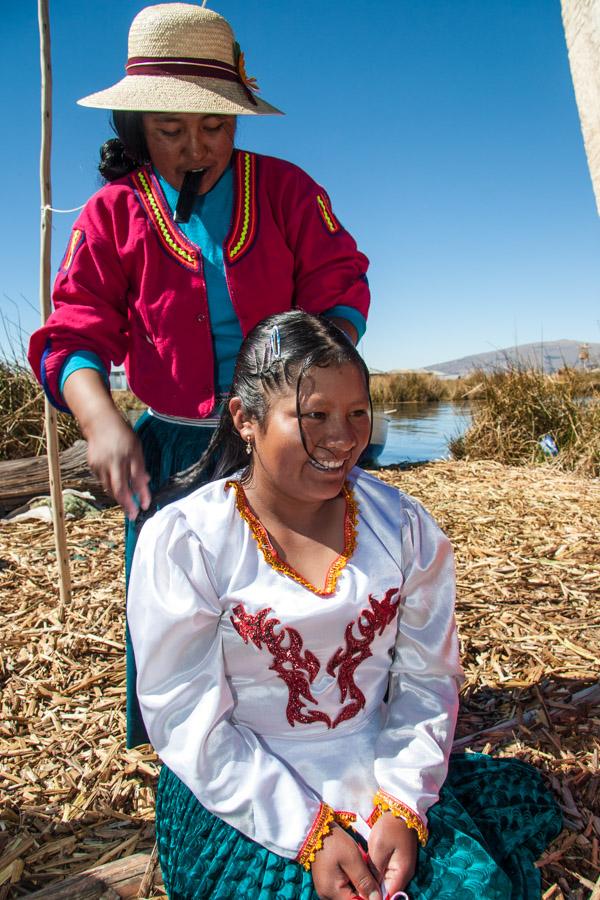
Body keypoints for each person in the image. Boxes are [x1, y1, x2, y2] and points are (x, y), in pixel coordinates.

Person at [128, 311, 561, 900]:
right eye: (314, 416)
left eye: (358, 412)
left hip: (382, 764)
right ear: (245, 419)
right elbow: (184, 715)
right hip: (240, 785)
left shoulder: (403, 528)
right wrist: (308, 833)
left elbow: (426, 678)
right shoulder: (189, 543)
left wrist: (403, 803)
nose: (343, 437)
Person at [27, 3, 369, 746]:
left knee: (285, 597)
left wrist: (314, 381)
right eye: (170, 129)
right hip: (172, 454)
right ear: (137, 126)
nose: (194, 148)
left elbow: (340, 285)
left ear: (239, 117)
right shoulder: (112, 214)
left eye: (214, 126)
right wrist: (102, 421)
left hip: (278, 442)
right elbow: (73, 333)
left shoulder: (284, 191)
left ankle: (298, 727)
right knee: (177, 609)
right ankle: (184, 747)